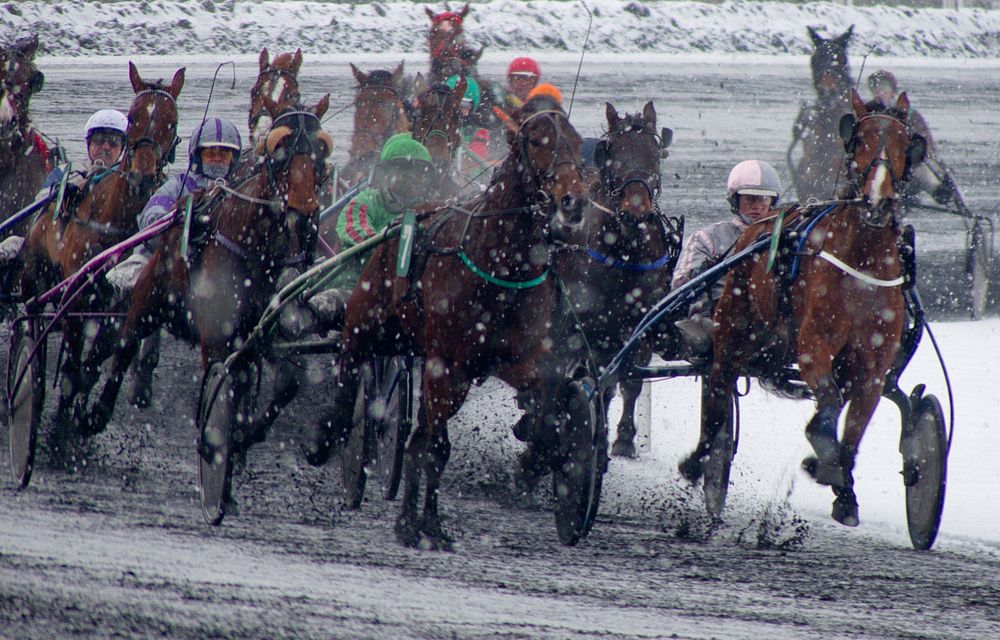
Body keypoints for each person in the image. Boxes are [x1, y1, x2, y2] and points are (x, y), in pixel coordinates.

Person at [105, 117, 242, 292]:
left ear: (233, 158)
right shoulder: (178, 185)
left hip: (221, 266)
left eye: (224, 154)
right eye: (211, 153)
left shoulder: (239, 190)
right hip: (166, 260)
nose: (217, 159)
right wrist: (177, 217)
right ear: (198, 156)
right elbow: (150, 218)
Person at [671, 159, 783, 359]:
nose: (757, 207)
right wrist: (701, 272)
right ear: (735, 201)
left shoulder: (784, 239)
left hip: (771, 325)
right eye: (750, 199)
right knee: (687, 336)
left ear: (772, 202)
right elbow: (680, 286)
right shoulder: (707, 238)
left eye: (763, 199)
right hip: (714, 320)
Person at [867, 70, 960, 207]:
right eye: (876, 90)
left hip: (906, 161)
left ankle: (938, 191)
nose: (880, 94)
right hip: (877, 160)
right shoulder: (868, 114)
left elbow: (924, 140)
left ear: (893, 92)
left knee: (921, 168)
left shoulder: (909, 114)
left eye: (884, 90)